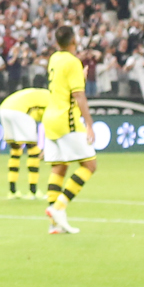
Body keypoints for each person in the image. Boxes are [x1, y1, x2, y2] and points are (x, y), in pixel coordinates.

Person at [43, 24, 97, 234]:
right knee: (89, 165)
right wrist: (89, 124)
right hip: (67, 119)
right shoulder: (73, 63)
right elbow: (78, 96)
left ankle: (54, 225)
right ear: (73, 40)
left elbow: (63, 85)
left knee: (59, 167)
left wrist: (79, 77)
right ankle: (58, 207)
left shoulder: (54, 59)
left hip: (50, 118)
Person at [0, 85, 49, 200]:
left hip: (4, 108)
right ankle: (33, 191)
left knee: (15, 149)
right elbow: (51, 124)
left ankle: (12, 191)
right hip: (19, 111)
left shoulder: (38, 93)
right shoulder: (53, 101)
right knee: (33, 148)